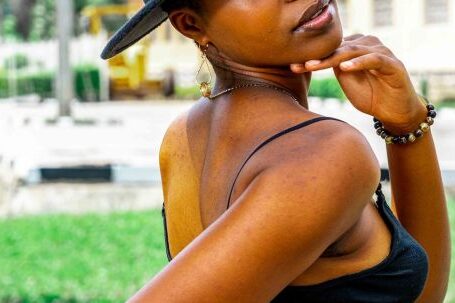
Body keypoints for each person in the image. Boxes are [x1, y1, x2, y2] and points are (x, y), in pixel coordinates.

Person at [101, 0, 450, 302]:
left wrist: (407, 125)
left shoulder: (182, 137)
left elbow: (417, 294)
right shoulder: (322, 153)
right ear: (191, 24)